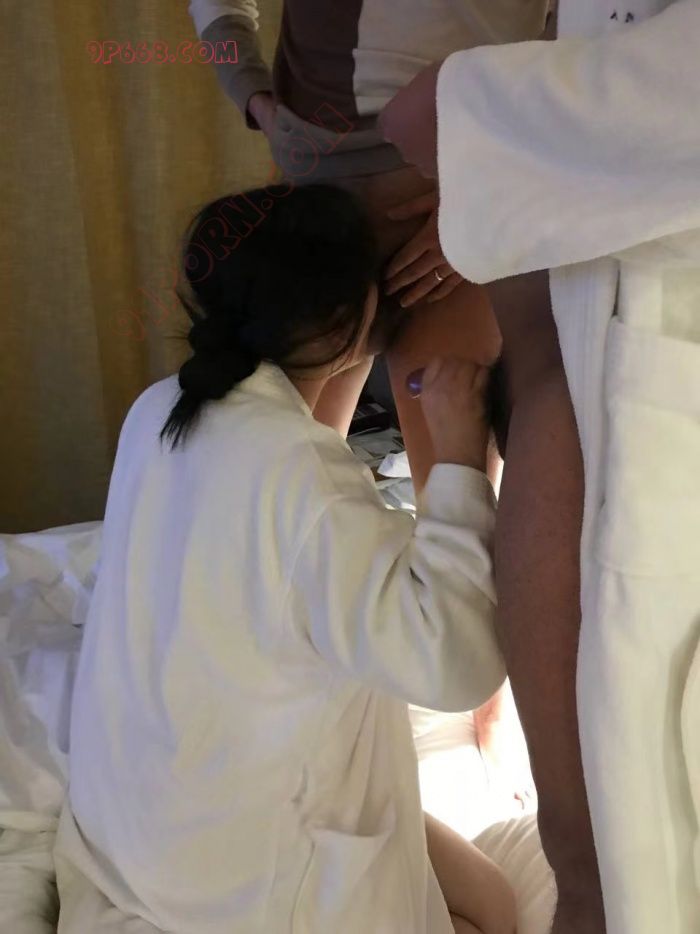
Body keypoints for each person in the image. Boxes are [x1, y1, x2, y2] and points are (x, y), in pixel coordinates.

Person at [54, 184, 517, 934]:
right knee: (493, 912)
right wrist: (460, 460)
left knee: (488, 897)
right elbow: (457, 665)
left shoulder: (159, 409)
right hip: (236, 876)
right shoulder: (304, 479)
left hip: (145, 823)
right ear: (349, 319)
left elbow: (283, 523)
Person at [189, 0, 555, 819]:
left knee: (458, 480)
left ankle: (494, 707)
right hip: (318, 187)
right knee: (285, 472)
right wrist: (254, 97)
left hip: (456, 177)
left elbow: (588, 34)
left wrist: (497, 181)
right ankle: (287, 681)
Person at [379, 1, 700, 933]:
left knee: (620, 861)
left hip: (603, 198)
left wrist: (489, 116)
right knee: (599, 862)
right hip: (557, 166)